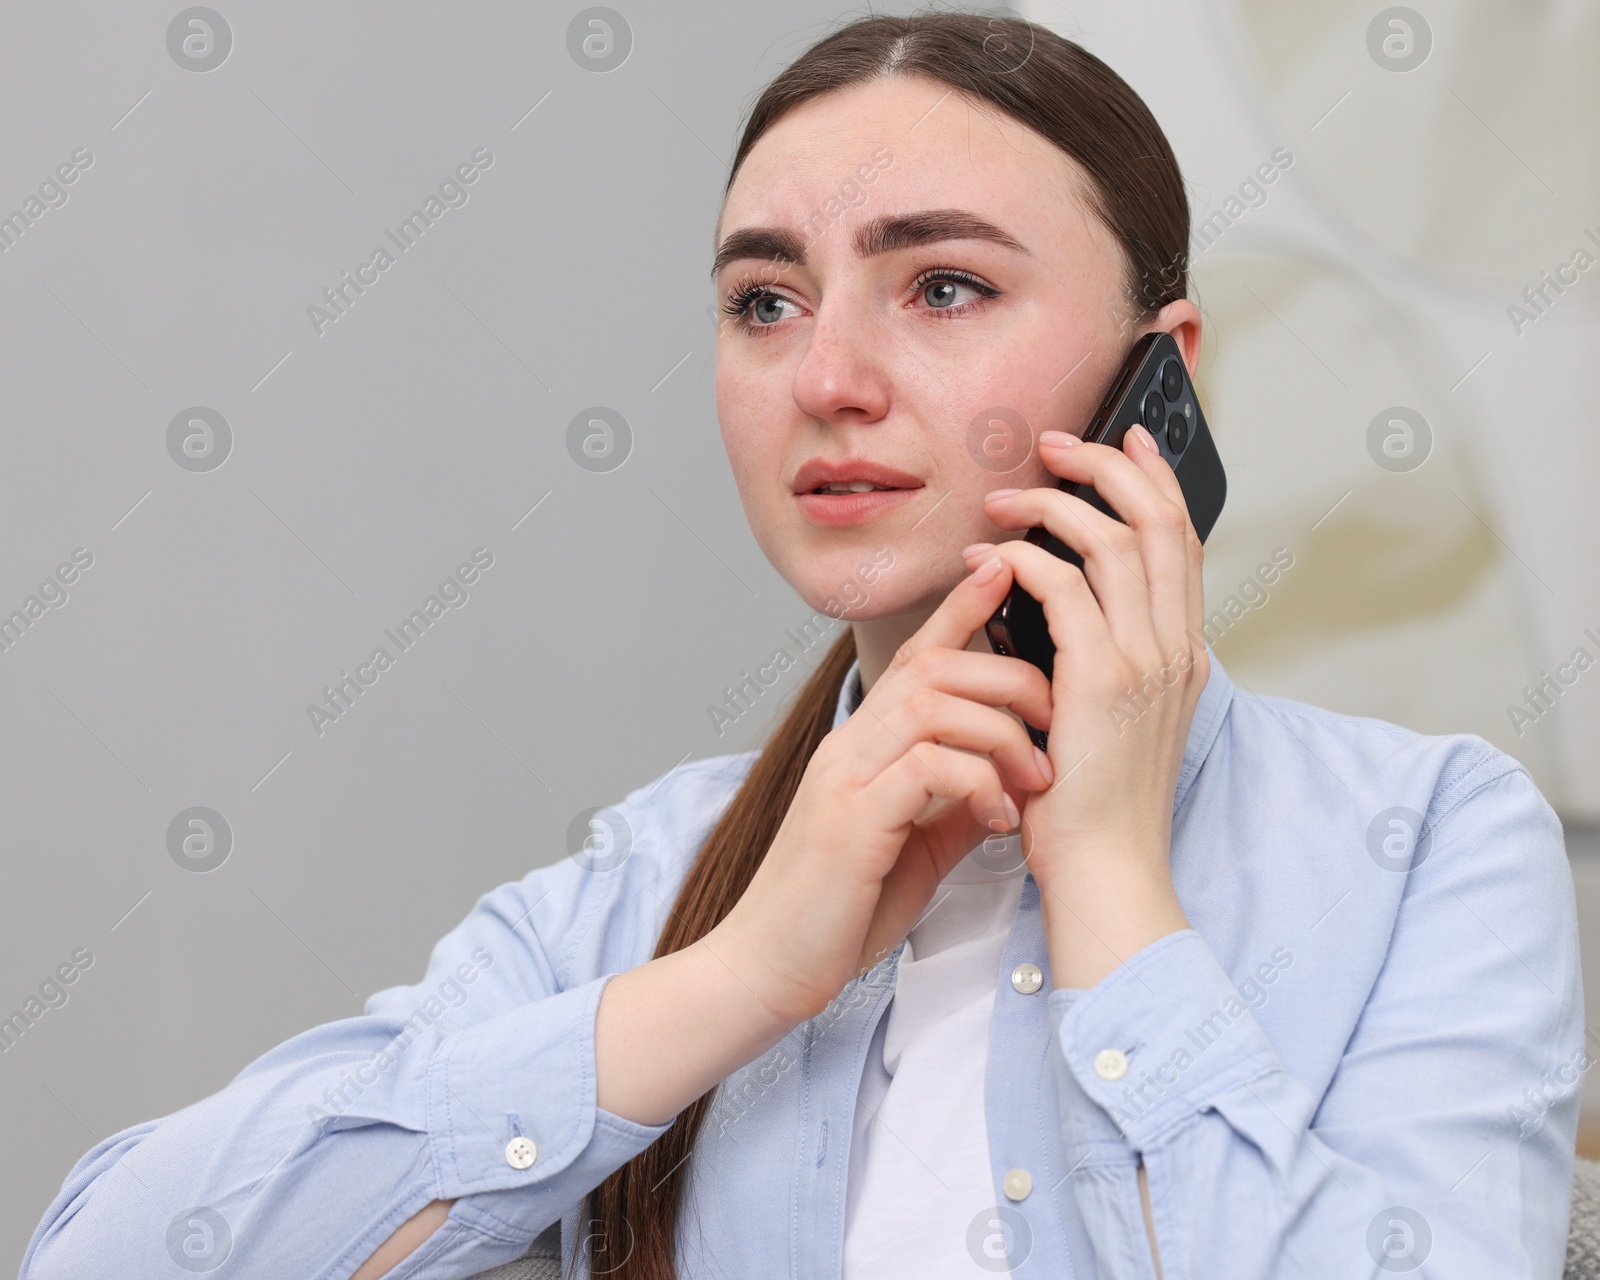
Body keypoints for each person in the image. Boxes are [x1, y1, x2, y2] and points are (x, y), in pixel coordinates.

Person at [21, 11, 1583, 1280]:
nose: (826, 374)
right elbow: (109, 1254)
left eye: (946, 284)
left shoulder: (1428, 846)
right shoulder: (652, 883)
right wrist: (747, 974)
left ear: (1158, 382)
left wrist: (1111, 882)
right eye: (764, 301)